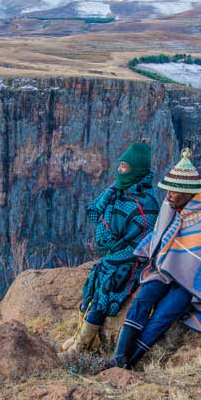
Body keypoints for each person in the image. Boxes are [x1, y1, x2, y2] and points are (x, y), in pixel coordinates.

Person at [107, 148, 201, 369]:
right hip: (165, 267)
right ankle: (118, 357)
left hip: (191, 280)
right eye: (168, 190)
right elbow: (161, 240)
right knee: (143, 299)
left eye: (174, 192)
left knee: (164, 314)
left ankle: (131, 363)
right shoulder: (170, 207)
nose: (169, 195)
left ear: (188, 193)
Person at [61, 142, 159, 353]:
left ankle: (81, 346)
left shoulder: (147, 204)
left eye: (124, 167)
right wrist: (113, 187)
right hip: (114, 255)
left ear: (136, 169)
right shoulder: (120, 193)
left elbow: (143, 240)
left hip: (131, 260)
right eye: (120, 165)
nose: (119, 170)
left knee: (105, 289)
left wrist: (117, 253)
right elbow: (97, 211)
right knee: (94, 284)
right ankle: (79, 334)